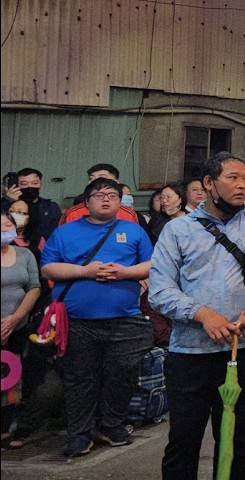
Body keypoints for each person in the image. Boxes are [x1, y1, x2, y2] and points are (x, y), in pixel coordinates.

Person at [148, 153, 245, 480]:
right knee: (183, 442)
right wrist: (201, 314)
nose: (242, 185)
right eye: (233, 178)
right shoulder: (178, 231)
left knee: (234, 440)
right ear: (209, 184)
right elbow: (158, 290)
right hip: (190, 354)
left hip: (242, 350)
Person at [39, 177, 153, 458]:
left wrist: (125, 273)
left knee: (123, 373)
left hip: (125, 319)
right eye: (99, 195)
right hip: (77, 321)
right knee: (81, 379)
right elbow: (48, 269)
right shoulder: (65, 233)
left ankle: (110, 425)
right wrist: (86, 272)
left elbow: (152, 265)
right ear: (86, 202)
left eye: (113, 195)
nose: (106, 199)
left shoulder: (134, 231)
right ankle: (79, 434)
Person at [1, 211, 42, 449]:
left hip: (18, 326)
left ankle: (5, 430)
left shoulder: (25, 254)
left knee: (10, 378)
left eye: (8, 223)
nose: (5, 228)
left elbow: (34, 287)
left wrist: (14, 318)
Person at [59, 164, 140, 226]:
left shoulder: (128, 214)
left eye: (102, 177)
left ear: (116, 182)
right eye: (91, 178)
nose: (95, 181)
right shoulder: (72, 214)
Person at [7, 169, 62, 243]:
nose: (30, 186)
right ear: (17, 185)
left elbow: (53, 234)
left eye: (35, 183)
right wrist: (9, 202)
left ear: (41, 184)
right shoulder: (8, 204)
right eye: (24, 184)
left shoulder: (51, 207)